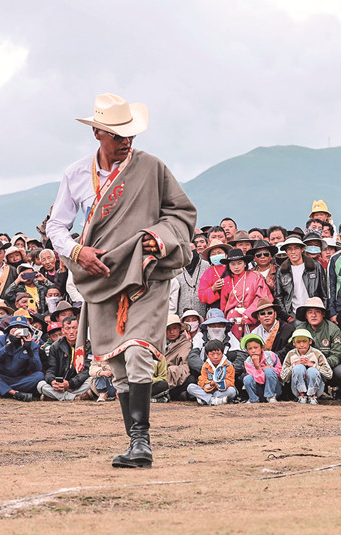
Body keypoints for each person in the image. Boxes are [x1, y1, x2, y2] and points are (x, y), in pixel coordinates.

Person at [47, 93, 197, 468]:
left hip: (146, 274)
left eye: (130, 134)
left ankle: (142, 441)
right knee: (116, 364)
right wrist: (77, 251)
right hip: (100, 277)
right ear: (97, 133)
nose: (126, 141)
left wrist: (161, 238)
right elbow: (56, 225)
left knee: (138, 351)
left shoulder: (152, 168)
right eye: (116, 134)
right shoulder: (76, 174)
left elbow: (181, 212)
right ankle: (134, 444)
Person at [0, 315, 45, 402]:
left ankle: (3, 390)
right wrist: (10, 344)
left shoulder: (32, 344)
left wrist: (29, 350)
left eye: (22, 328)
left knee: (39, 375)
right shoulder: (1, 339)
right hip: (1, 376)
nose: (19, 331)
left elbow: (37, 368)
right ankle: (14, 393)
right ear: (10, 329)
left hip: (19, 379)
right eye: (16, 328)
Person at [295, 297, 341, 400]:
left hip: (327, 365)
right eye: (310, 312)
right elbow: (294, 352)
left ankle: (340, 391)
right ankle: (301, 393)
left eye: (317, 312)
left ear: (323, 314)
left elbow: (337, 354)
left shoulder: (333, 329)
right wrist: (305, 363)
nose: (313, 315)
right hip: (305, 365)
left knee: (340, 371)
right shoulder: (300, 330)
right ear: (306, 315)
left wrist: (321, 364)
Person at [218, 248, 273, 339]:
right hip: (233, 320)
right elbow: (223, 306)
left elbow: (263, 298)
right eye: (233, 264)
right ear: (229, 266)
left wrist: (248, 314)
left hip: (253, 316)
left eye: (239, 263)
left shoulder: (255, 277)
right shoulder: (226, 281)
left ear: (245, 264)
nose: (236, 267)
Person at [274, 236, 328, 321]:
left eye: (296, 248)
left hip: (315, 313)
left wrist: (323, 312)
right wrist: (287, 316)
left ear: (302, 249)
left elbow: (324, 292)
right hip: (293, 315)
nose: (293, 252)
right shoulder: (282, 271)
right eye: (289, 249)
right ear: (286, 252)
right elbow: (278, 296)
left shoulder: (316, 266)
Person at [38, 316, 92, 401]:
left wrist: (70, 383)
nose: (71, 332)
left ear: (80, 329)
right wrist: (52, 381)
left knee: (92, 380)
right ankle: (74, 397)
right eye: (67, 328)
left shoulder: (87, 345)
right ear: (63, 331)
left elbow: (87, 370)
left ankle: (57, 397)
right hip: (60, 386)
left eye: (74, 328)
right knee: (41, 385)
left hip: (78, 385)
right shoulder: (55, 346)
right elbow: (51, 369)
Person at [280, 328, 332, 404]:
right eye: (298, 342)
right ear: (294, 343)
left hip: (317, 389)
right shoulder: (291, 354)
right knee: (299, 368)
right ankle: (301, 395)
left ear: (310, 341)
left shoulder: (317, 353)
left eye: (304, 341)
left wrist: (313, 365)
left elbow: (329, 374)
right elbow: (283, 377)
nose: (302, 345)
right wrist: (294, 365)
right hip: (296, 389)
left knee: (312, 371)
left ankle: (313, 396)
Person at [186, 339, 237, 405]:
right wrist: (210, 383)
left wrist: (219, 384)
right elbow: (202, 381)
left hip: (221, 392)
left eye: (218, 354)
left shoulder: (228, 365)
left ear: (222, 353)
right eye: (212, 354)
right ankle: (213, 400)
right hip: (208, 391)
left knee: (232, 391)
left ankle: (206, 399)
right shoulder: (205, 366)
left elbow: (231, 382)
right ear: (207, 355)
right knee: (190, 387)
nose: (216, 357)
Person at [248, 299, 295, 363]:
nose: (266, 315)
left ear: (275, 314)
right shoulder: (254, 333)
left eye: (269, 313)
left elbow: (289, 350)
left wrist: (270, 358)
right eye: (262, 313)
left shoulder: (288, 329)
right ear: (258, 317)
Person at [241, 333, 282, 403]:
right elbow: (261, 381)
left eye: (256, 347)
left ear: (262, 347)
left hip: (275, 389)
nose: (253, 351)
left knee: (268, 371)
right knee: (247, 378)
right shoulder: (248, 362)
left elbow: (281, 373)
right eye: (250, 348)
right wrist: (257, 367)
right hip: (259, 389)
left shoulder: (271, 355)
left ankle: (270, 396)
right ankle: (254, 399)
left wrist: (269, 368)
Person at [164, 314, 194, 401]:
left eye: (174, 328)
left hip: (176, 378)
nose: (171, 332)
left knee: (191, 380)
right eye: (168, 329)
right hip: (158, 377)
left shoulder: (185, 344)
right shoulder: (159, 343)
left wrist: (172, 371)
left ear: (179, 329)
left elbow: (185, 367)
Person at [197, 240, 233, 311]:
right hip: (216, 309)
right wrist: (213, 289)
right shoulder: (208, 272)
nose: (216, 255)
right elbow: (201, 296)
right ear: (210, 258)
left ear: (226, 255)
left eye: (219, 253)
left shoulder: (233, 268)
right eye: (213, 254)